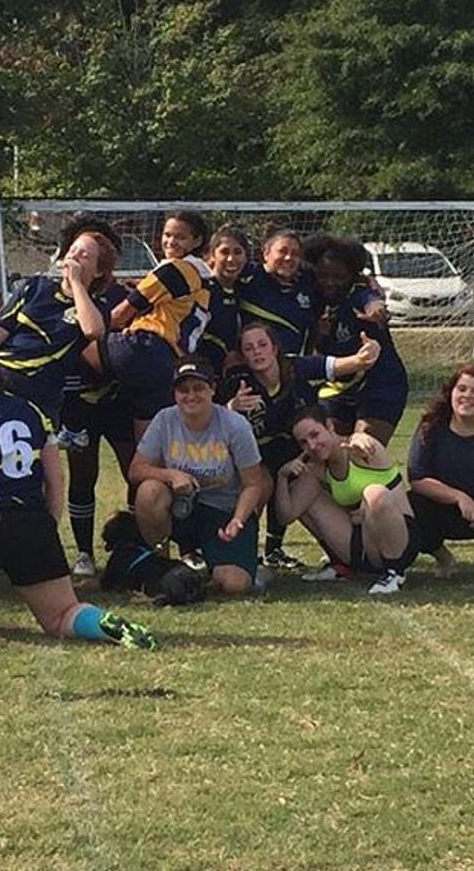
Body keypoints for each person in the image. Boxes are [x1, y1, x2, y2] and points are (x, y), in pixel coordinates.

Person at [0, 334, 156, 653]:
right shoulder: (31, 411)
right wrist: (48, 524)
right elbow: (55, 479)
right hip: (31, 522)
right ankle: (101, 622)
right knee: (62, 615)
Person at [218, 321, 380, 569]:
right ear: (242, 355)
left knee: (320, 482)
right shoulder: (238, 384)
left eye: (262, 344)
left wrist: (366, 355)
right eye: (249, 348)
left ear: (274, 348)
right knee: (259, 485)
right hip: (257, 460)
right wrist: (231, 407)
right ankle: (242, 557)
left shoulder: (295, 368)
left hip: (299, 455)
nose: (257, 352)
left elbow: (340, 365)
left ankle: (348, 553)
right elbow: (211, 419)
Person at [130, 357, 264, 595]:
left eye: (199, 388)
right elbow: (136, 469)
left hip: (224, 511)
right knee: (149, 491)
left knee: (234, 585)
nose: (191, 395)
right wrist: (170, 475)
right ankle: (163, 566)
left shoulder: (235, 425)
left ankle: (224, 568)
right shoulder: (164, 420)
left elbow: (254, 484)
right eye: (183, 389)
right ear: (174, 393)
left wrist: (238, 520)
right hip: (182, 508)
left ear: (212, 389)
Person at [49, 217, 133, 578]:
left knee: (135, 470)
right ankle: (83, 552)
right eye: (73, 250)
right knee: (82, 475)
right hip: (74, 399)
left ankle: (139, 545)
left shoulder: (120, 296)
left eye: (88, 253)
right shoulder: (47, 295)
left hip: (116, 396)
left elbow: (105, 339)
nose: (76, 257)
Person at [85, 211, 211, 442]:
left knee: (75, 344)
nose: (171, 241)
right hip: (168, 364)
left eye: (180, 237)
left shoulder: (175, 269)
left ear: (197, 241)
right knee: (146, 448)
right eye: (167, 235)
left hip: (145, 347)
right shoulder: (204, 278)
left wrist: (90, 319)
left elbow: (121, 315)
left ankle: (75, 419)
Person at [274, 405, 419, 594]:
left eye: (315, 435)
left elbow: (384, 499)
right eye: (304, 442)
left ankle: (395, 573)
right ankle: (341, 566)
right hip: (365, 544)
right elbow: (286, 516)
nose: (312, 445)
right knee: (305, 499)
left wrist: (361, 438)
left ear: (329, 426)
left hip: (400, 541)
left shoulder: (360, 448)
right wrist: (282, 477)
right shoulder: (317, 468)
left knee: (375, 494)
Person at [0, 229, 115, 426]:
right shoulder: (35, 286)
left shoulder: (96, 308)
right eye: (72, 250)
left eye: (84, 255)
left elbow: (93, 331)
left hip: (36, 388)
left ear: (98, 272)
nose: (74, 256)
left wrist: (76, 283)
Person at [303, 234, 407, 446]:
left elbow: (370, 300)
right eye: (323, 275)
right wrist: (318, 333)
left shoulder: (359, 294)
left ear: (352, 276)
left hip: (381, 385)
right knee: (327, 447)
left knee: (364, 448)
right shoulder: (311, 297)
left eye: (338, 276)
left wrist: (376, 308)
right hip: (337, 387)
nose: (329, 282)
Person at [406, 363, 474, 577]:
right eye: (462, 389)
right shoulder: (431, 427)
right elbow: (417, 478)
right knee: (408, 504)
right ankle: (442, 556)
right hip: (440, 510)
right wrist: (458, 497)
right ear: (450, 392)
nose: (467, 396)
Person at [237, 227, 321, 356]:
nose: (288, 258)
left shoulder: (307, 284)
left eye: (295, 254)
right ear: (266, 253)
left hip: (292, 363)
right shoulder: (248, 277)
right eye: (282, 251)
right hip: (252, 362)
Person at [196, 224, 249, 375]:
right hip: (201, 369)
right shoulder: (201, 288)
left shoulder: (245, 289)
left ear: (246, 257)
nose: (231, 259)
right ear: (213, 255)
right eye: (224, 252)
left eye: (238, 252)